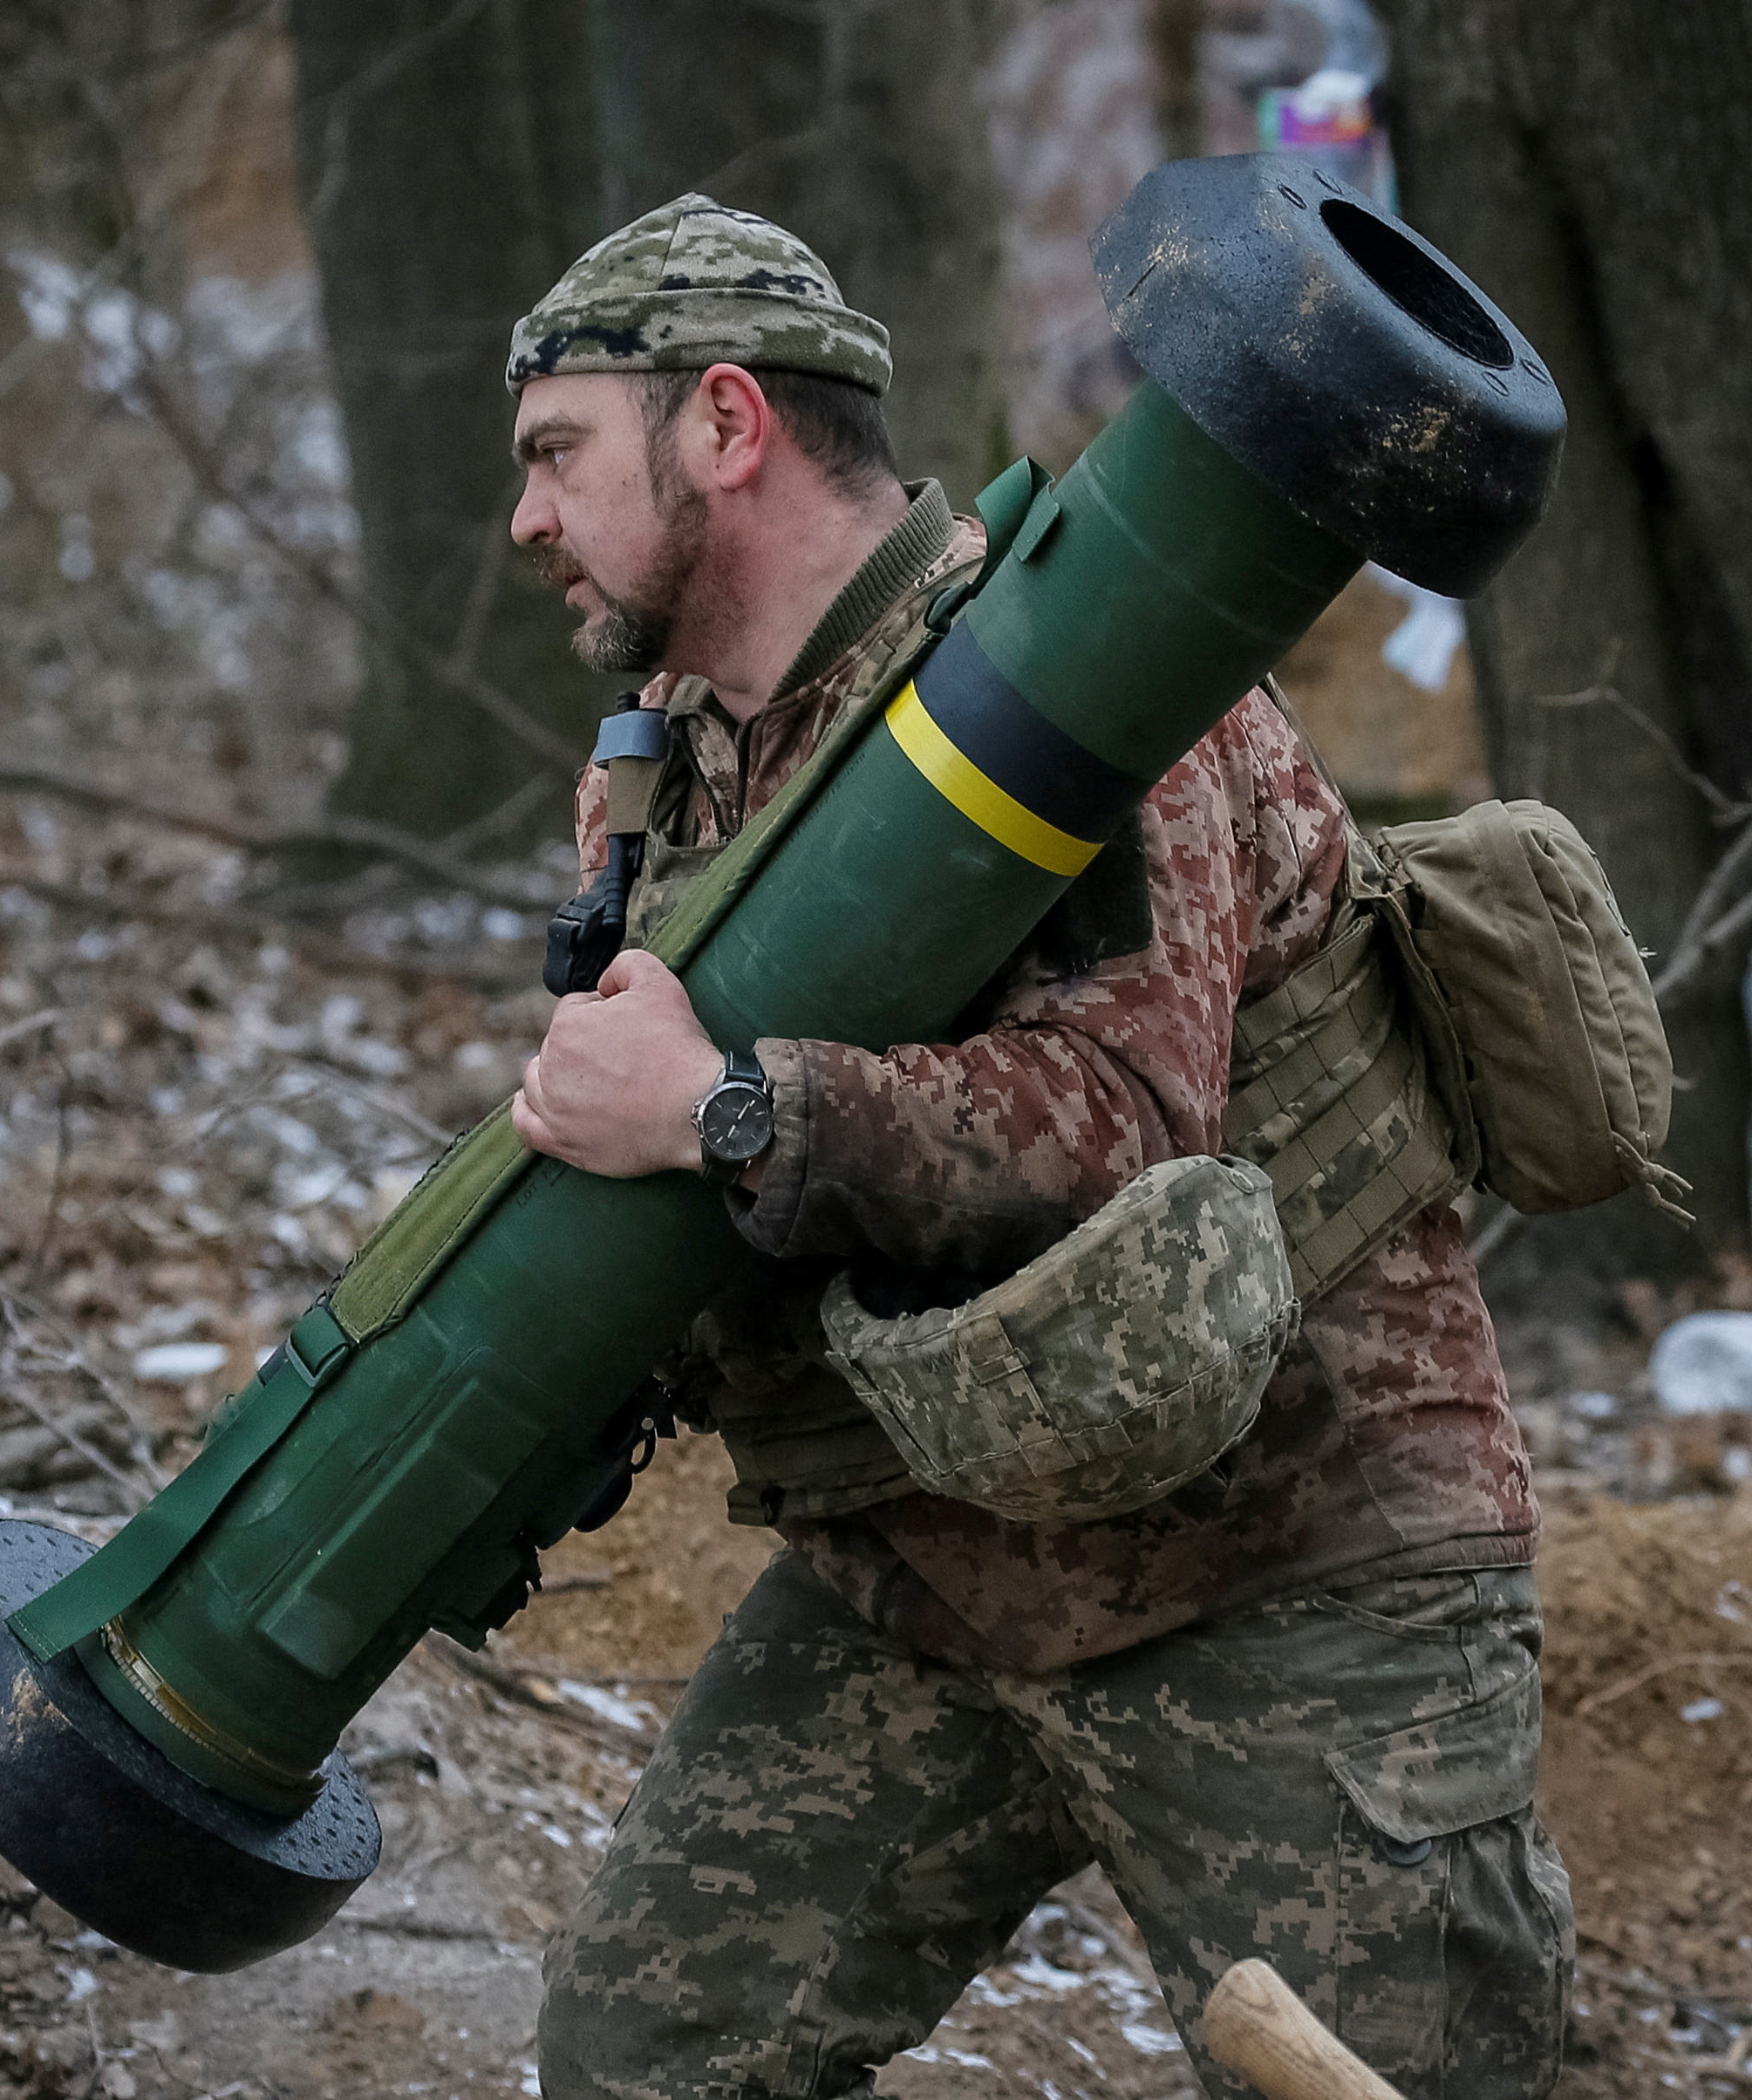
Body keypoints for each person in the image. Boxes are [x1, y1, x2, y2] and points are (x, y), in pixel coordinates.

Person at [499, 193, 1570, 2100]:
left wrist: (725, 1108)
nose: (525, 519)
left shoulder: (1085, 669)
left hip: (1288, 1568)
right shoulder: (671, 768)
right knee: (639, 2060)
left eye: (555, 453)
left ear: (722, 428)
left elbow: (1114, 1124)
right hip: (923, 1578)